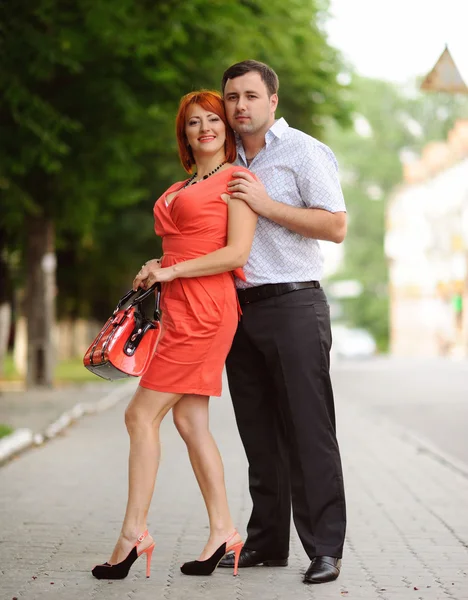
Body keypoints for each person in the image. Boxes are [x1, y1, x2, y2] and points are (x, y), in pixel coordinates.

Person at [91, 90, 257, 580]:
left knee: (139, 415)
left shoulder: (238, 179)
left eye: (213, 119)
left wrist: (172, 271)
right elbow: (179, 246)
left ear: (227, 128)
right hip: (178, 306)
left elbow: (235, 254)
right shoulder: (182, 184)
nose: (204, 127)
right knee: (190, 424)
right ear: (183, 134)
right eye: (193, 123)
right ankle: (224, 530)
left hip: (206, 309)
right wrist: (156, 267)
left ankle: (132, 533)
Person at [217, 60, 347, 584]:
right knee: (259, 434)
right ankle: (268, 543)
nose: (239, 106)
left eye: (250, 95)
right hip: (239, 310)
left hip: (294, 305)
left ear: (273, 100)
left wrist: (267, 205)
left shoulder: (304, 151)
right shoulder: (224, 160)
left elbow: (335, 225)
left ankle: (325, 549)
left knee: (308, 431)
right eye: (231, 98)